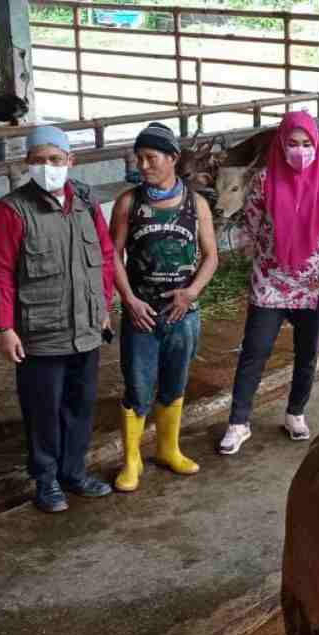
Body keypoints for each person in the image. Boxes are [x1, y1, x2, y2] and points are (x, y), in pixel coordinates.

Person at [0, 126, 117, 513]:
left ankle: (74, 473)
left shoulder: (87, 202)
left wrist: (103, 307)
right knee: (42, 409)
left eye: (55, 159)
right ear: (27, 163)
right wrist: (5, 327)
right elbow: (1, 271)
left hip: (87, 326)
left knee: (81, 405)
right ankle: (46, 482)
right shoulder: (12, 209)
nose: (48, 167)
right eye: (39, 160)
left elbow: (106, 257)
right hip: (40, 330)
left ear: (70, 161)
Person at [218, 110, 319, 456]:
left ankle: (295, 413)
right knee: (254, 351)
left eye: (306, 143)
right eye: (293, 143)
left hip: (312, 281)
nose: (300, 150)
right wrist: (277, 252)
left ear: (316, 145)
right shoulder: (263, 181)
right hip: (270, 280)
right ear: (281, 144)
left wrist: (299, 248)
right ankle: (238, 422)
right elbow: (252, 227)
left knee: (308, 353)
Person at [110, 122, 219, 492]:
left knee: (174, 383)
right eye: (138, 158)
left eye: (150, 158)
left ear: (172, 158)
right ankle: (131, 459)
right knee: (138, 387)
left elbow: (211, 257)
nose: (143, 166)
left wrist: (191, 293)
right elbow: (113, 255)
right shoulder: (129, 203)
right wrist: (129, 299)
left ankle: (168, 449)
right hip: (141, 313)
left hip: (182, 313)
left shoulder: (195, 204)